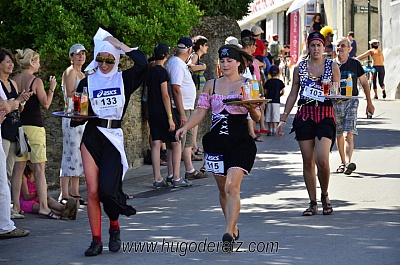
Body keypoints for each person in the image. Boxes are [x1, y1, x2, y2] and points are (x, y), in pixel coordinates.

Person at [69, 28, 147, 256]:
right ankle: (96, 239)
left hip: (113, 137)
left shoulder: (124, 79)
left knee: (107, 191)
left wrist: (119, 44)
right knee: (92, 192)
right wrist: (75, 115)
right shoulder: (86, 82)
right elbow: (78, 114)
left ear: (117, 59)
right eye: (100, 59)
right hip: (92, 137)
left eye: (110, 60)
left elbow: (142, 64)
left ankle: (114, 227)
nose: (104, 64)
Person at [175, 44, 261, 248]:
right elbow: (200, 111)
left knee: (233, 186)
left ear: (238, 62)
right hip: (216, 141)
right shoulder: (211, 85)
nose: (225, 64)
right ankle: (233, 226)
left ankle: (228, 233)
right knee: (223, 189)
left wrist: (251, 107)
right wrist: (185, 127)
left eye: (229, 60)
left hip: (240, 141)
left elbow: (257, 116)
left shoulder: (249, 83)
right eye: (222, 61)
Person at [276, 31, 340, 216]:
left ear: (324, 47)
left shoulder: (332, 65)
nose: (316, 49)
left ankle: (325, 195)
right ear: (308, 47)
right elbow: (293, 94)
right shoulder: (300, 67)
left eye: (319, 45)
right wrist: (283, 119)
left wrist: (336, 97)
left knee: (322, 159)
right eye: (312, 45)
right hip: (305, 115)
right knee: (307, 161)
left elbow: (335, 94)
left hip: (325, 114)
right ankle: (312, 202)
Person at [13, 48, 58, 219]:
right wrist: (52, 89)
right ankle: (44, 207)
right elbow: (46, 104)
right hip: (35, 128)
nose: (39, 64)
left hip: (19, 128)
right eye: (38, 61)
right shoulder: (36, 81)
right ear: (32, 62)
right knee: (39, 169)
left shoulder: (14, 81)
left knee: (18, 169)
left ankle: (16, 206)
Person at [166, 36, 205, 184]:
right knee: (178, 143)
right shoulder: (176, 64)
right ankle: (174, 176)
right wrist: (181, 112)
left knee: (187, 142)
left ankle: (188, 170)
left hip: (186, 107)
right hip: (181, 108)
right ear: (189, 50)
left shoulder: (178, 63)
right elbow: (175, 89)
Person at [333, 37, 375, 175]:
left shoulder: (355, 64)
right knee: (339, 134)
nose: (340, 48)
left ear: (349, 49)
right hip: (335, 103)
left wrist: (369, 102)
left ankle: (348, 162)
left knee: (348, 133)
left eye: (343, 46)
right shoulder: (331, 64)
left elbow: (364, 83)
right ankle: (343, 162)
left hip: (351, 102)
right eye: (338, 46)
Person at [0, 48, 31, 219]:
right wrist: (15, 101)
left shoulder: (12, 83)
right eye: (7, 61)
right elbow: (6, 105)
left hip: (14, 131)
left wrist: (21, 101)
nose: (11, 64)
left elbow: (17, 107)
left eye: (12, 61)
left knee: (9, 172)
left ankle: (8, 209)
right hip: (2, 131)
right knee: (2, 172)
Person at [146, 43, 181, 189]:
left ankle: (157, 178)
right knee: (176, 141)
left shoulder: (150, 71)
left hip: (152, 111)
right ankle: (175, 176)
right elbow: (165, 95)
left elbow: (148, 93)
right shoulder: (163, 72)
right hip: (162, 111)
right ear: (166, 56)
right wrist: (170, 117)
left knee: (156, 143)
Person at [59, 44, 87, 206]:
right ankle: (65, 192)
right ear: (71, 57)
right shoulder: (70, 72)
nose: (80, 57)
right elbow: (69, 94)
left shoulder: (81, 73)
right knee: (69, 152)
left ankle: (75, 191)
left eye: (83, 54)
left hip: (80, 113)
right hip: (72, 113)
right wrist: (83, 96)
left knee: (78, 153)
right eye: (77, 54)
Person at [0, 102, 29, 239]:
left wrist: (16, 103)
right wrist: (12, 103)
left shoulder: (9, 84)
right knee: (2, 182)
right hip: (4, 132)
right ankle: (5, 226)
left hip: (8, 132)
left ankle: (7, 221)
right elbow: (5, 106)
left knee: (5, 178)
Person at [187, 35, 208, 156]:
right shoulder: (195, 56)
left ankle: (194, 145)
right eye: (205, 45)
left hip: (199, 88)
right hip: (197, 88)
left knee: (196, 116)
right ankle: (193, 146)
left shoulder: (197, 56)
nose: (207, 47)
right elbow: (189, 66)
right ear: (200, 46)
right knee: (195, 115)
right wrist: (202, 67)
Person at [264, 65, 285, 136]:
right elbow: (283, 91)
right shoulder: (280, 82)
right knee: (275, 116)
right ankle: (275, 129)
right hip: (276, 101)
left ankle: (270, 130)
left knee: (269, 115)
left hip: (269, 100)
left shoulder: (268, 82)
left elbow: (265, 91)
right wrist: (279, 95)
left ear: (269, 73)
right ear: (279, 73)